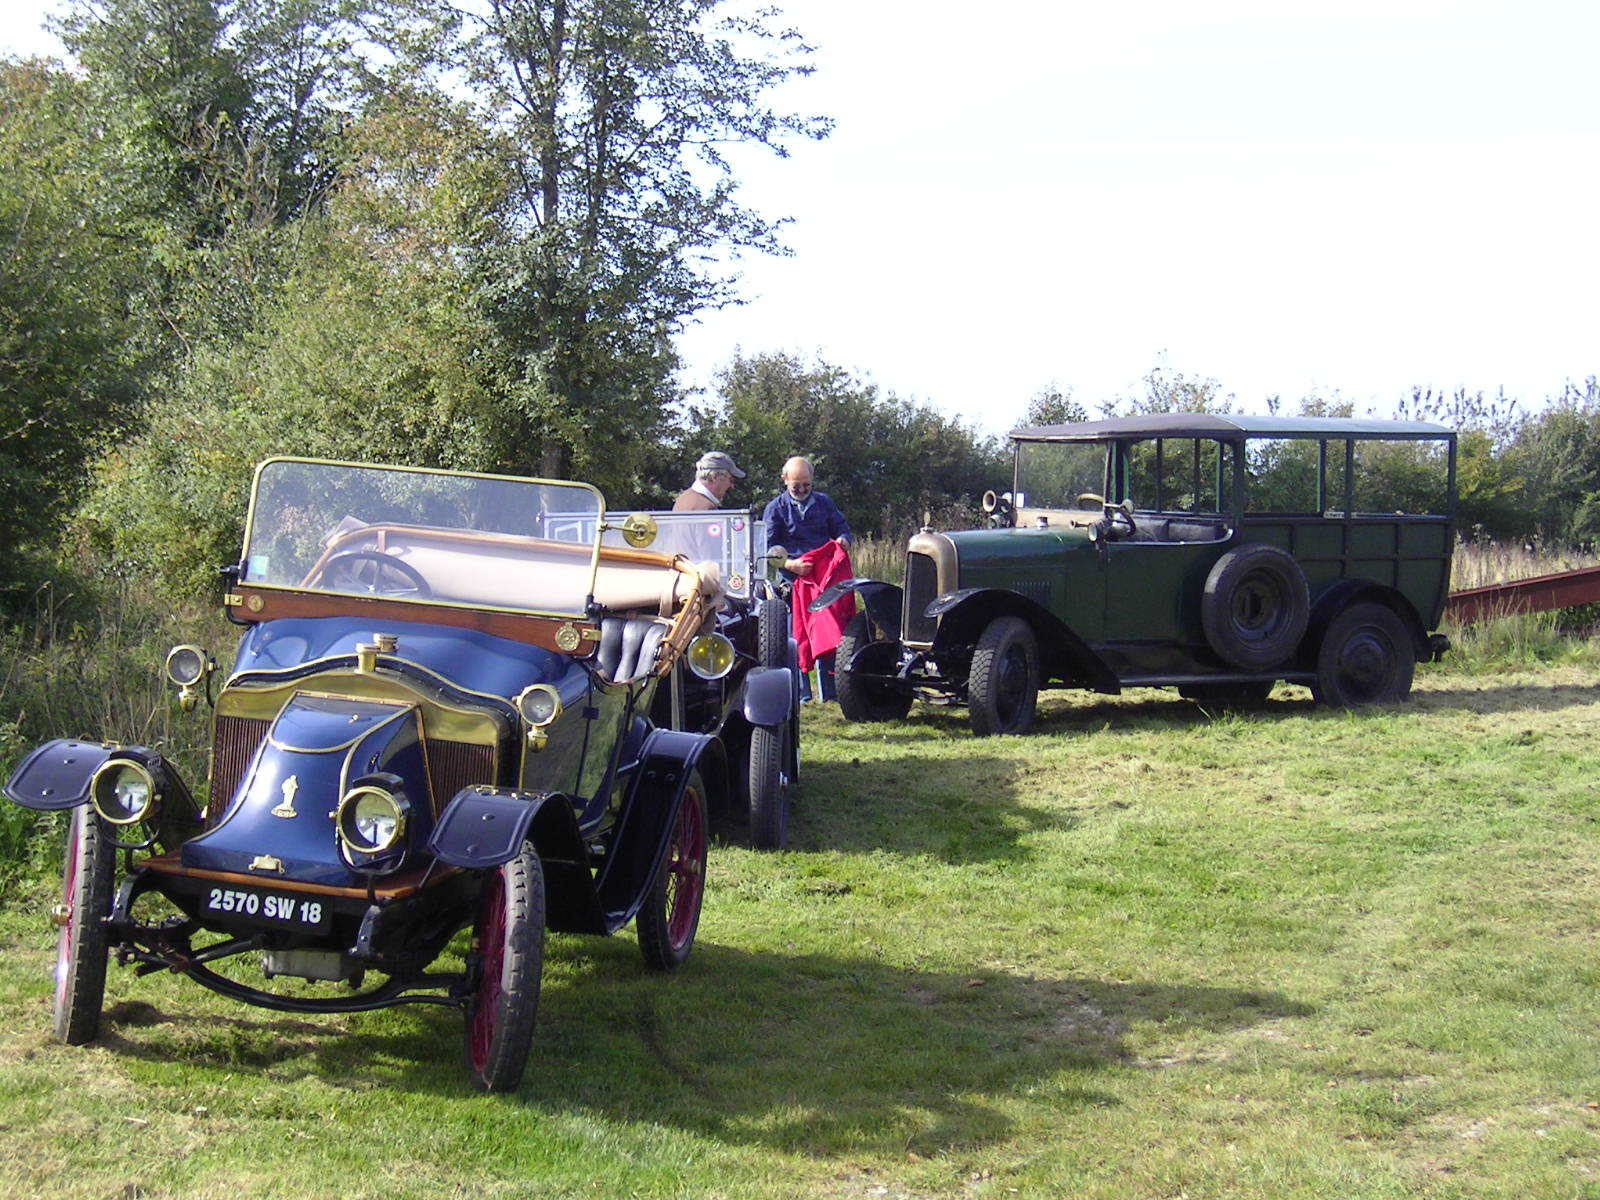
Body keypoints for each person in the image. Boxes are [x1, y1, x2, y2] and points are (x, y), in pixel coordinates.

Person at [763, 456, 853, 701]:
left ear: (812, 480)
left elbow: (843, 528)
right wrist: (791, 564)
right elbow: (769, 549)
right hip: (792, 582)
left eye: (806, 485)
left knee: (828, 633)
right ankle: (802, 694)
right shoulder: (775, 509)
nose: (801, 490)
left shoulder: (825, 503)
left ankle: (830, 693)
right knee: (797, 637)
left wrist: (844, 540)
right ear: (784, 480)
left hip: (823, 580)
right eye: (796, 485)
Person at [673, 451, 745, 511]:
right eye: (731, 480)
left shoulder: (682, 499)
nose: (732, 486)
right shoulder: (707, 508)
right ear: (715, 477)